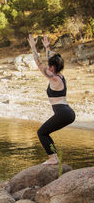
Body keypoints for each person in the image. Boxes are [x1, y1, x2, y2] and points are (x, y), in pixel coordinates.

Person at [27, 34, 75, 164]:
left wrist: (33, 47)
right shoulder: (60, 76)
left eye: (49, 66)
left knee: (41, 133)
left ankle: (53, 158)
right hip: (67, 112)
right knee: (45, 133)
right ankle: (54, 157)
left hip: (63, 113)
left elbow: (38, 63)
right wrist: (47, 48)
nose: (47, 67)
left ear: (52, 68)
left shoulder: (53, 78)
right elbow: (51, 61)